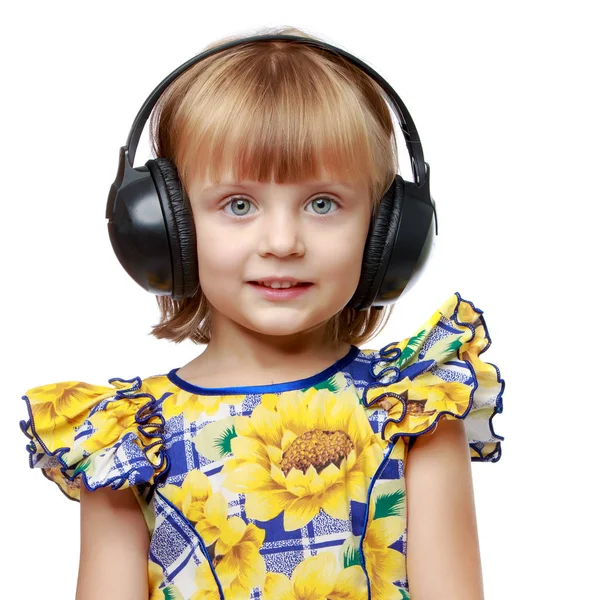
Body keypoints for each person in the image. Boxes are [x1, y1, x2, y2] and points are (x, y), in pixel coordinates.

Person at [19, 26, 504, 600]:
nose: (281, 240)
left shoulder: (414, 411)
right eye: (238, 204)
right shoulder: (124, 442)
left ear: (387, 233)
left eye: (323, 204)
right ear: (163, 228)